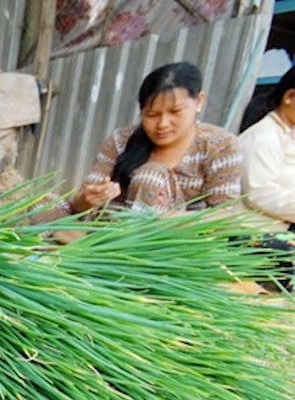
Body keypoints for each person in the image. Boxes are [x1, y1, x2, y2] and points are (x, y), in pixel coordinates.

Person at [64, 61, 242, 216]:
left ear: (199, 101)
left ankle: (84, 244)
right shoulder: (121, 140)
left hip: (169, 242)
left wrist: (165, 219)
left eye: (175, 112)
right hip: (108, 230)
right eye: (152, 114)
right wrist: (89, 199)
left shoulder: (220, 146)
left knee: (151, 176)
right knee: (44, 203)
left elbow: (224, 216)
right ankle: (77, 242)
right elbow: (78, 205)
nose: (163, 124)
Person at [238, 65, 295, 290]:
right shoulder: (263, 136)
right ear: (290, 97)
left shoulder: (285, 134)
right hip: (251, 237)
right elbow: (260, 194)